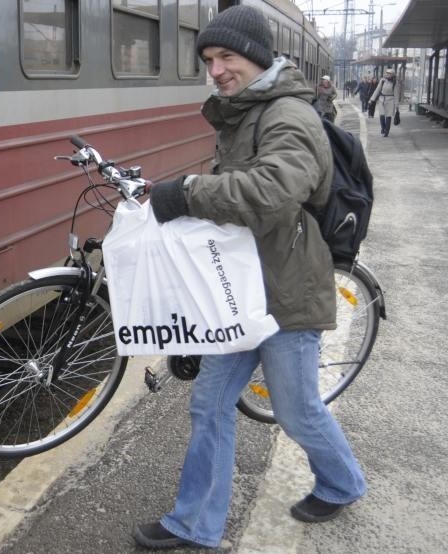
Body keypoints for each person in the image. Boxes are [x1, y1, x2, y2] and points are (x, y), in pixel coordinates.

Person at [132, 5, 367, 550]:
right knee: (209, 404)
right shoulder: (243, 110)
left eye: (226, 57)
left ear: (257, 58)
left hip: (287, 291)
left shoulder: (288, 115)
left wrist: (188, 191)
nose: (215, 69)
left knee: (296, 409)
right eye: (209, 59)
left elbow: (269, 192)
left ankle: (342, 481)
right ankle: (194, 526)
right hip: (237, 291)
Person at [369, 68, 400, 136]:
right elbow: (377, 90)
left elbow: (396, 94)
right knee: (382, 115)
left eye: (389, 74)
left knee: (388, 116)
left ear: (392, 75)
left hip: (391, 100)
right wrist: (372, 99)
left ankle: (386, 131)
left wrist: (397, 105)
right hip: (382, 99)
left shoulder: (395, 82)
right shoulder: (382, 81)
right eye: (387, 73)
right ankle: (383, 128)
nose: (387, 75)